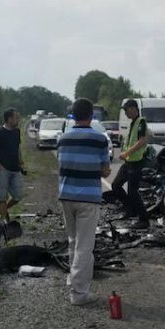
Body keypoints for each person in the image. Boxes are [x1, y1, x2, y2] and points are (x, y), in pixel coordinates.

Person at [57, 98, 111, 305]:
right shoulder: (99, 140)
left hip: (66, 195)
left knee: (73, 242)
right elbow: (105, 170)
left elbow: (64, 164)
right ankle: (78, 293)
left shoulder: (63, 139)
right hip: (89, 197)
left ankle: (73, 279)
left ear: (73, 115)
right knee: (84, 246)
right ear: (91, 115)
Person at [112, 98, 150, 228]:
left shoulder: (141, 122)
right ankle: (130, 210)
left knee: (133, 191)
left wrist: (126, 153)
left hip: (136, 161)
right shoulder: (133, 122)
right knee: (116, 185)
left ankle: (144, 220)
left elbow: (142, 141)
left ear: (133, 109)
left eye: (127, 110)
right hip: (129, 161)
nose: (126, 113)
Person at [0, 108, 27, 222]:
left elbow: (17, 147)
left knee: (18, 196)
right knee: (2, 197)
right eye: (16, 117)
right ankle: (3, 222)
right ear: (9, 119)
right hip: (3, 170)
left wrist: (21, 161)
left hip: (16, 169)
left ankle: (4, 210)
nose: (18, 120)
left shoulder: (17, 132)